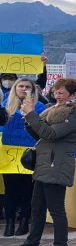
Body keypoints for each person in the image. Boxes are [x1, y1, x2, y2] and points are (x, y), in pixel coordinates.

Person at [7, 78, 76, 246]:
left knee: (56, 211)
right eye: (56, 92)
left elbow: (51, 134)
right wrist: (29, 118)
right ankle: (31, 245)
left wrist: (32, 114)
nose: (57, 96)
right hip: (45, 164)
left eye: (61, 93)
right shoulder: (52, 111)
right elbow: (40, 134)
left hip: (57, 165)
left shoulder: (75, 114)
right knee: (37, 207)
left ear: (74, 95)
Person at [2, 78, 47, 236]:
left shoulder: (39, 106)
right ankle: (9, 223)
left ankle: (24, 222)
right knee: (10, 191)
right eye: (21, 86)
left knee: (27, 191)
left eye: (27, 86)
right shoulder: (5, 105)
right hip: (9, 155)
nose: (24, 89)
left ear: (32, 90)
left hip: (30, 154)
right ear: (15, 88)